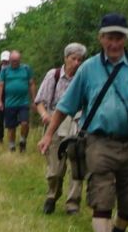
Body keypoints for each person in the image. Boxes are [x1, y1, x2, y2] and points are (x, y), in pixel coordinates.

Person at [41, 15, 128, 232]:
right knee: (102, 197)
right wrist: (49, 135)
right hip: (99, 142)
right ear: (101, 38)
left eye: (119, 37)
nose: (114, 43)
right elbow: (64, 106)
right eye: (109, 37)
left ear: (126, 38)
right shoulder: (88, 69)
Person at [35, 41, 89, 215]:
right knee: (55, 170)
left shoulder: (85, 78)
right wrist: (45, 115)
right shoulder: (54, 75)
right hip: (55, 123)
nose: (77, 63)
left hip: (77, 123)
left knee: (77, 165)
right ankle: (52, 195)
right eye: (74, 59)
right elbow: (40, 101)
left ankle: (73, 204)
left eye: (81, 60)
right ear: (65, 58)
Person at [0, 49, 35, 153]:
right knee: (11, 127)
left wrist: (34, 99)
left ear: (20, 60)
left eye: (17, 60)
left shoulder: (26, 69)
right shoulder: (5, 71)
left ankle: (23, 140)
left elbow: (32, 83)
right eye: (13, 61)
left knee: (25, 123)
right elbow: (0, 85)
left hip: (23, 102)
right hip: (10, 103)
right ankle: (12, 145)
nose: (15, 62)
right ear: (10, 60)